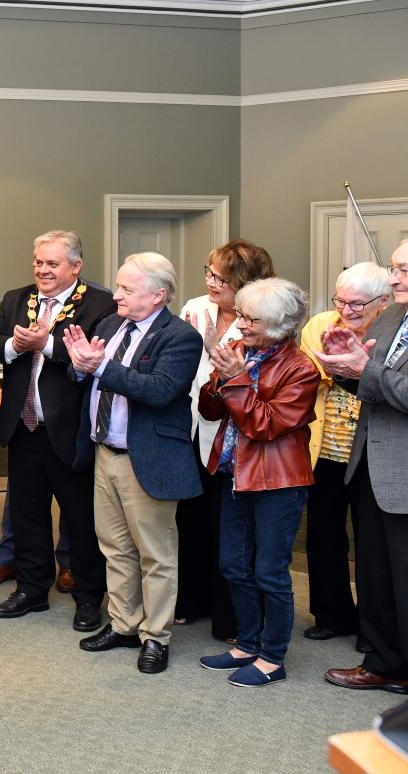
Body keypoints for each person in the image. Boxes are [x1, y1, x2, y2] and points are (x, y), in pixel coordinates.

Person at [64, 253, 203, 674]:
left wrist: (100, 366)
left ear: (159, 295)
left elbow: (159, 391)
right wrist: (81, 367)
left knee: (155, 555)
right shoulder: (109, 325)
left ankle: (155, 636)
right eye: (119, 286)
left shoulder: (180, 337)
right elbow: (84, 377)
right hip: (104, 452)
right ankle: (124, 624)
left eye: (127, 288)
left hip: (148, 458)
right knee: (115, 548)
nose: (116, 294)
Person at [0, 230, 113, 631]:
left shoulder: (100, 304)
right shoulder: (16, 299)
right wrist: (16, 347)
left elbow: (95, 355)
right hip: (24, 428)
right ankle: (32, 589)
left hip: (70, 431)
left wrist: (45, 344)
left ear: (75, 266)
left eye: (52, 264)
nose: (42, 270)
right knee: (27, 515)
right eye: (38, 262)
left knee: (81, 520)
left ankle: (88, 597)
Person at [196, 278, 318, 687]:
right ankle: (246, 642)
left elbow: (265, 425)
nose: (242, 325)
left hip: (278, 482)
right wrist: (218, 379)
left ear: (281, 325)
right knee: (233, 565)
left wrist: (234, 380)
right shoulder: (238, 352)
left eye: (253, 319)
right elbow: (211, 411)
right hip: (236, 475)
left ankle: (272, 656)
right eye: (243, 315)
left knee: (269, 570)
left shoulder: (301, 370)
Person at [175, 240, 275, 640]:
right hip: (192, 424)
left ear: (245, 282)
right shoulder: (195, 308)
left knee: (229, 525)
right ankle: (191, 599)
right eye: (209, 272)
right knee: (191, 517)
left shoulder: (263, 319)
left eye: (221, 277)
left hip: (236, 434)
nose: (211, 282)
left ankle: (230, 615)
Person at [320, 239, 408, 694]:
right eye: (394, 269)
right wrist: (344, 365)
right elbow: (371, 384)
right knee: (374, 572)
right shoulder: (392, 315)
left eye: (403, 270)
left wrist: (364, 370)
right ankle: (383, 661)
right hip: (370, 462)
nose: (394, 279)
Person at [299, 262, 391, 644]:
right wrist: (339, 366)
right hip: (327, 449)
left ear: (383, 302)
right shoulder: (319, 324)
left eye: (357, 304)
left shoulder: (392, 332)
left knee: (372, 542)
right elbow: (308, 372)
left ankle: (373, 628)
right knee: (323, 535)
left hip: (372, 452)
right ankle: (332, 615)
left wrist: (350, 368)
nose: (346, 311)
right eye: (341, 301)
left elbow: (385, 385)